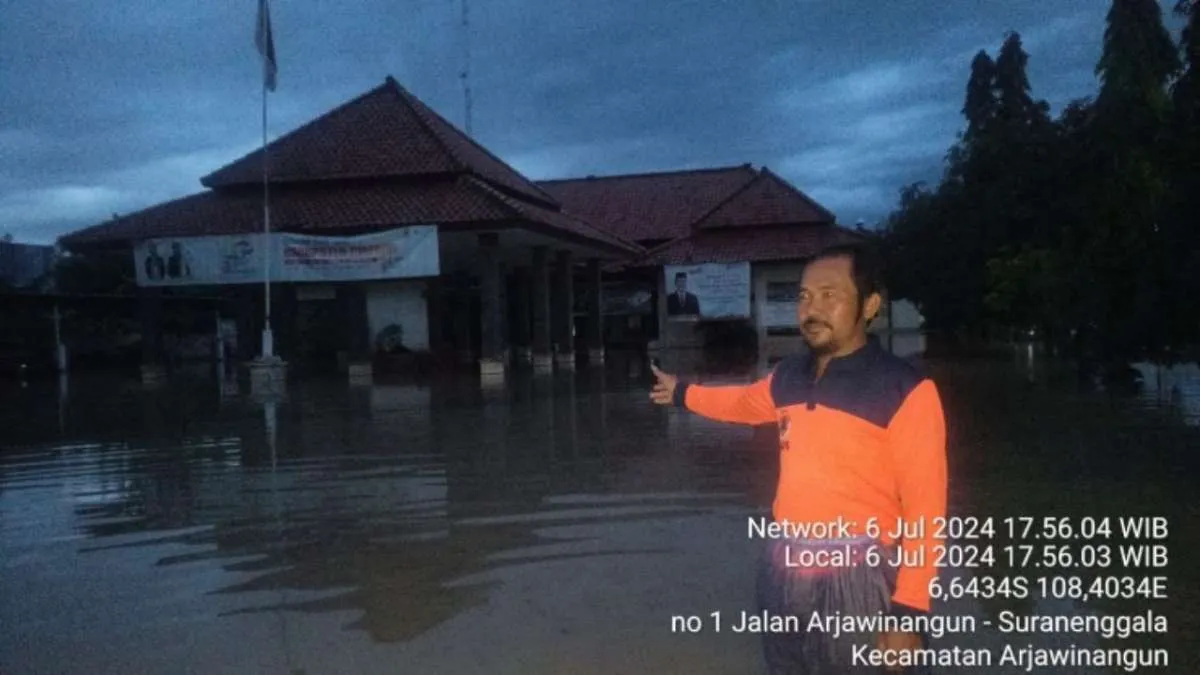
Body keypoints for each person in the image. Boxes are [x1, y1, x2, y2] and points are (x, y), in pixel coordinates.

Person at [650, 243, 946, 674]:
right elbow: (743, 404)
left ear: (870, 305)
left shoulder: (906, 390)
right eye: (804, 296)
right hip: (785, 570)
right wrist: (682, 393)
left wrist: (909, 610)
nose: (812, 308)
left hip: (861, 579)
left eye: (830, 295)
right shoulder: (789, 375)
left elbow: (926, 511)